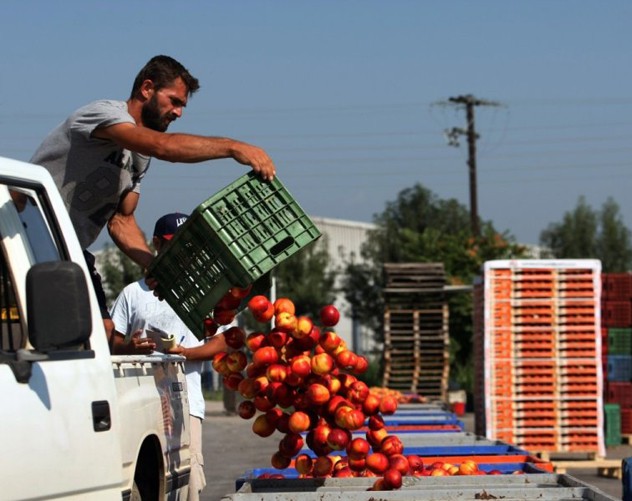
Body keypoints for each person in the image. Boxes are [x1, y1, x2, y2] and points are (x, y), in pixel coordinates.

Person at [30, 55, 276, 345]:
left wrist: (156, 268)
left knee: (106, 334)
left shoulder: (140, 156)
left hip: (69, 251)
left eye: (182, 105)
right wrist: (232, 147)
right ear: (147, 89)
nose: (178, 112)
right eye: (174, 101)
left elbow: (121, 221)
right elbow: (163, 147)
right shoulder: (103, 114)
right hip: (24, 238)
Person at [109, 212, 229, 500]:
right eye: (170, 246)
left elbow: (221, 342)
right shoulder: (132, 294)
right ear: (155, 245)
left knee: (188, 483)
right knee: (148, 480)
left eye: (185, 248)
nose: (178, 255)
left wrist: (185, 353)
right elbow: (111, 342)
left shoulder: (203, 292)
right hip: (140, 401)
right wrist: (131, 348)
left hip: (185, 400)